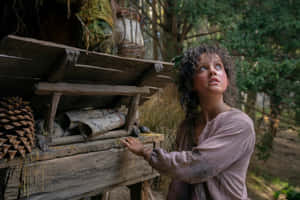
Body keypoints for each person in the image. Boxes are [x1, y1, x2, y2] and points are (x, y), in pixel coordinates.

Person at [120, 44, 255, 200]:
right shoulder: (187, 127)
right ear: (191, 83)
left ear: (227, 79)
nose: (212, 71)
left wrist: (146, 152)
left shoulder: (240, 124)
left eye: (218, 66)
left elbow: (198, 167)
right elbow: (178, 185)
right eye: (203, 68)